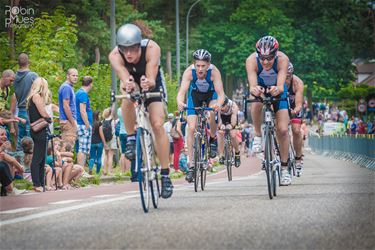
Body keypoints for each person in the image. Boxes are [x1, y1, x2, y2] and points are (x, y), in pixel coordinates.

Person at [108, 23, 173, 198]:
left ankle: (165, 175)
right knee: (127, 94)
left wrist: (148, 83)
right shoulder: (115, 55)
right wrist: (130, 85)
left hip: (153, 81)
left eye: (132, 49)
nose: (128, 53)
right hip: (132, 81)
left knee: (158, 124)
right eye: (124, 49)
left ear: (140, 45)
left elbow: (151, 77)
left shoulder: (152, 48)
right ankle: (131, 138)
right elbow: (124, 75)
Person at [245, 35, 291, 186]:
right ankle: (258, 135)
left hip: (278, 89)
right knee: (256, 100)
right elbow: (252, 86)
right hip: (260, 87)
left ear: (276, 54)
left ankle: (284, 170)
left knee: (283, 131)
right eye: (262, 58)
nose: (265, 62)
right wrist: (256, 90)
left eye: (269, 58)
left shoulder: (283, 59)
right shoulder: (251, 60)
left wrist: (277, 89)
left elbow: (281, 83)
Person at [176, 48, 225, 183]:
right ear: (194, 64)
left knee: (213, 112)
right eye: (198, 65)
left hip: (211, 95)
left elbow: (221, 94)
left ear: (208, 65)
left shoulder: (214, 72)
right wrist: (180, 102)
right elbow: (182, 92)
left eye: (203, 66)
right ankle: (191, 166)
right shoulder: (189, 72)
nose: (200, 69)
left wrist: (218, 105)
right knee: (191, 128)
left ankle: (213, 138)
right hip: (195, 96)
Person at [26, 77, 52, 192]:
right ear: (42, 86)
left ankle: (41, 183)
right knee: (38, 158)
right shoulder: (36, 97)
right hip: (39, 130)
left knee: (42, 158)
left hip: (39, 129)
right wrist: (48, 117)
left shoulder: (32, 98)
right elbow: (43, 113)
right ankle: (37, 184)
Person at [11, 53, 39, 150]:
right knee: (30, 141)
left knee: (21, 141)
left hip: (20, 111)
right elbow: (40, 91)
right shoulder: (32, 76)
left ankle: (19, 163)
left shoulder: (14, 77)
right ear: (28, 62)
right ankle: (30, 164)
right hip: (30, 110)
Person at [286, 62, 305, 176]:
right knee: (279, 128)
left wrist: (294, 112)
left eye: (289, 76)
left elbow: (298, 104)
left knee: (296, 130)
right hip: (281, 106)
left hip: (294, 108)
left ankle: (298, 158)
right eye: (284, 76)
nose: (286, 78)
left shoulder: (297, 83)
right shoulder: (277, 81)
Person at [217, 97, 241, 167]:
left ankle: (237, 153)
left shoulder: (233, 106)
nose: (222, 108)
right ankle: (221, 155)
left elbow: (234, 119)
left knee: (233, 135)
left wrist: (231, 126)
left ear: (227, 104)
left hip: (231, 117)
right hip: (221, 118)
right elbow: (218, 118)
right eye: (221, 107)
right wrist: (220, 125)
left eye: (223, 106)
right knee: (220, 133)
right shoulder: (218, 106)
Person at [76, 76, 94, 167]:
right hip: (83, 124)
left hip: (80, 123)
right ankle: (81, 170)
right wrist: (87, 124)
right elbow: (82, 110)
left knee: (82, 148)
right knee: (82, 149)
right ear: (91, 84)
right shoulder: (83, 94)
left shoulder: (79, 92)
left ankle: (81, 170)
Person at [58, 68, 78, 147]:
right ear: (67, 76)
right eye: (73, 75)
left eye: (77, 76)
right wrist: (72, 122)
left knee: (66, 146)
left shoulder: (68, 87)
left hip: (67, 121)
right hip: (68, 121)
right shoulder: (66, 87)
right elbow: (66, 106)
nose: (75, 77)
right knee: (68, 147)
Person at [89, 110, 104, 175]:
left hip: (92, 142)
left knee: (92, 157)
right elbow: (101, 133)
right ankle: (97, 173)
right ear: (97, 115)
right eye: (99, 115)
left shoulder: (90, 123)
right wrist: (104, 142)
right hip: (99, 143)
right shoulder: (99, 123)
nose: (100, 116)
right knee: (99, 157)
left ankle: (90, 168)